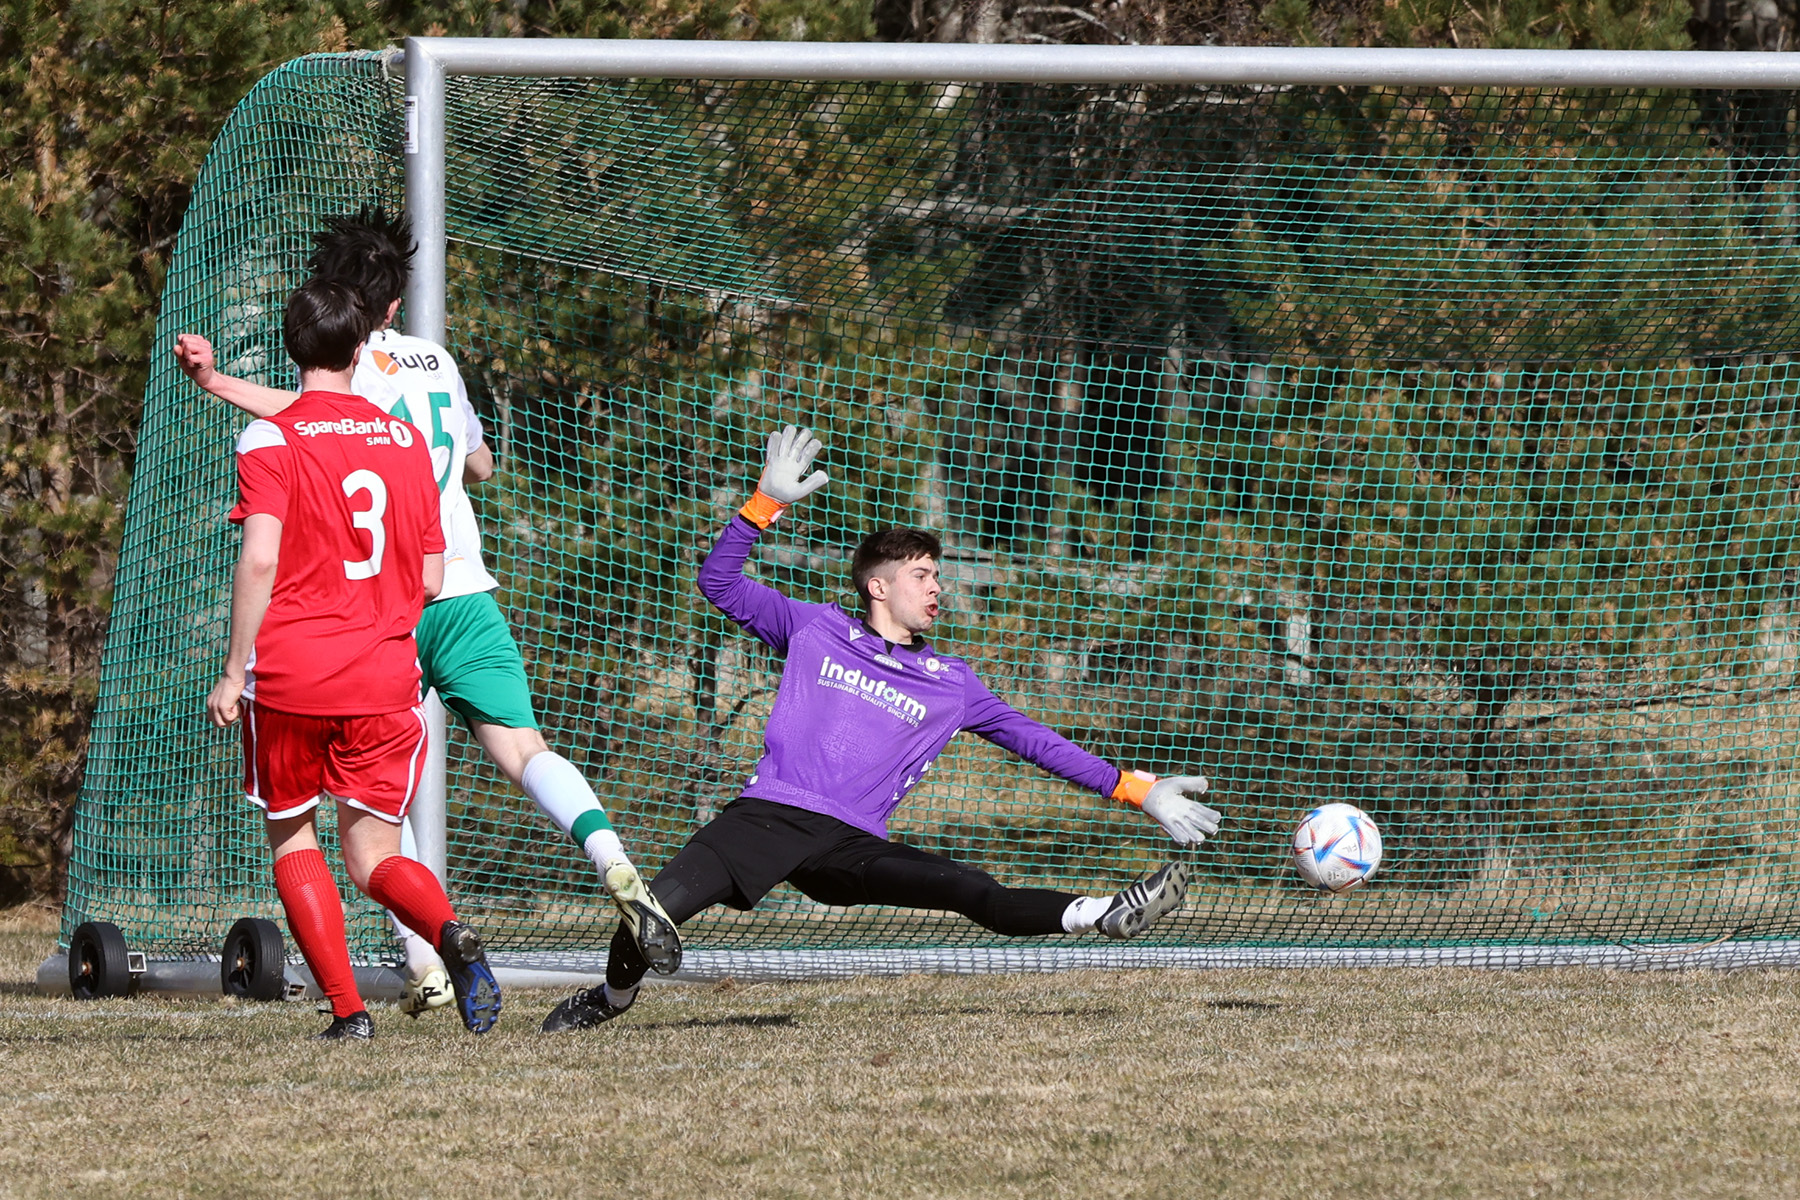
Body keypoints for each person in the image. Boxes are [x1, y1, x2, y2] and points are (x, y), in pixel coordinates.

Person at [542, 425, 1221, 1032]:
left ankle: (1100, 914)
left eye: (937, 576)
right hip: (768, 818)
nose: (936, 588)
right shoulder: (815, 629)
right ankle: (612, 998)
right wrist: (764, 504)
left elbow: (1038, 743)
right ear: (878, 586)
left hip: (852, 845)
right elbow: (718, 582)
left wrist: (1140, 790)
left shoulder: (954, 684)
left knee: (972, 892)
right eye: (922, 575)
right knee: (650, 913)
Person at [175, 207, 679, 1016]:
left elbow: (306, 417)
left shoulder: (352, 371)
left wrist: (213, 384)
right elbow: (478, 461)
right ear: (394, 303)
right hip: (465, 588)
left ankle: (424, 963)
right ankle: (611, 856)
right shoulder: (437, 361)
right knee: (522, 749)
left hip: (383, 611)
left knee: (358, 820)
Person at [206, 277, 501, 1039]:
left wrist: (235, 670)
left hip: (295, 678)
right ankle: (449, 933)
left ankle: (349, 1013)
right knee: (374, 856)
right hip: (384, 677)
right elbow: (432, 577)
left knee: (293, 834)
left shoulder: (271, 437)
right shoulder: (405, 439)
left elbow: (260, 562)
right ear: (360, 347)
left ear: (291, 345)